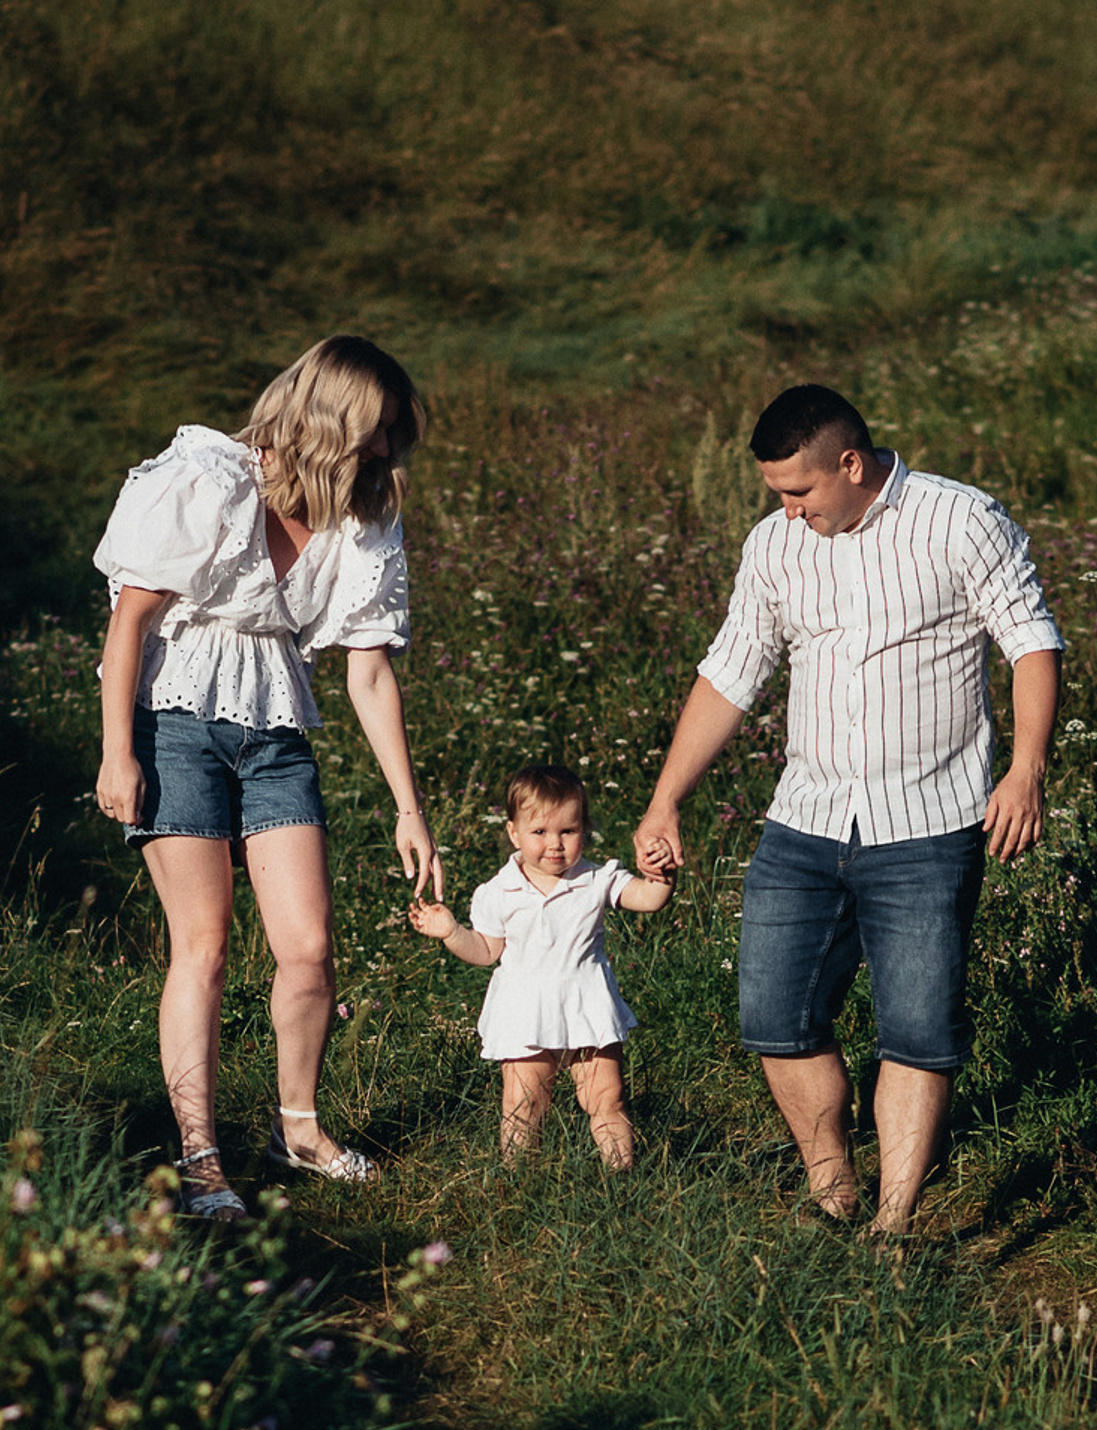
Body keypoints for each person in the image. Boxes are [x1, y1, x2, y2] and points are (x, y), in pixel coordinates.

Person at [634, 383, 1062, 1235]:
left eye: (799, 491)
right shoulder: (775, 547)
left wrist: (1025, 772)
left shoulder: (960, 521)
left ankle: (894, 1225)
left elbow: (1031, 640)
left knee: (918, 1029)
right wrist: (664, 798)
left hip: (929, 825)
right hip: (806, 823)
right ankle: (833, 1192)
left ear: (850, 464)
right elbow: (731, 672)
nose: (787, 512)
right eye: (775, 496)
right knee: (774, 1015)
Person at [93, 336, 442, 1220]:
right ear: (332, 420)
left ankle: (300, 1128)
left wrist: (411, 808)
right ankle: (202, 1160)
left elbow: (368, 671)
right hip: (174, 722)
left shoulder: (363, 515)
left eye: (393, 438)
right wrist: (117, 751)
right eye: (375, 433)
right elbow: (131, 621)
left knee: (310, 949)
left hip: (276, 729)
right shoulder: (209, 478)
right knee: (202, 947)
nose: (383, 454)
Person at [410, 761, 676, 1169]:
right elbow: (485, 951)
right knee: (524, 1104)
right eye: (539, 832)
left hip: (587, 1003)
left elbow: (650, 898)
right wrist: (450, 932)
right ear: (513, 832)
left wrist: (662, 875)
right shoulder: (499, 891)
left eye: (567, 831)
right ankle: (520, 1183)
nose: (555, 844)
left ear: (583, 829)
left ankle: (622, 1178)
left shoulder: (595, 879)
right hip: (524, 1009)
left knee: (607, 1098)